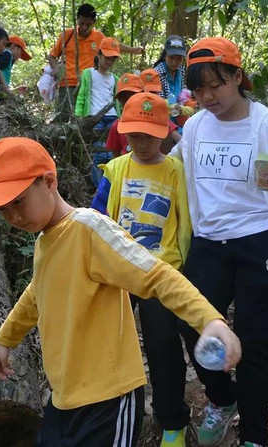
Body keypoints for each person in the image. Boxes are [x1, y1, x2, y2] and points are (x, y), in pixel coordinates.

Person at [0, 136, 242, 447]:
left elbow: (157, 274)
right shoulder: (45, 240)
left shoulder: (90, 230)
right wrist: (7, 337)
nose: (13, 217)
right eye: (3, 210)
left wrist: (210, 321)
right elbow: (36, 291)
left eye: (18, 201)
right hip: (64, 397)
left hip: (109, 398)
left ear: (49, 181)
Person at [171, 37, 268, 447]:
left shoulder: (266, 124)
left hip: (262, 240)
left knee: (255, 343)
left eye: (216, 85)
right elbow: (175, 170)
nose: (207, 97)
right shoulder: (196, 126)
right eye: (199, 89)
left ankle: (255, 434)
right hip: (209, 242)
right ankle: (222, 398)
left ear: (238, 77)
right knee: (194, 324)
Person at [91, 92, 192, 447]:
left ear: (165, 132)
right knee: (109, 345)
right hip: (119, 271)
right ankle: (110, 417)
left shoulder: (177, 172)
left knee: (163, 346)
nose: (142, 142)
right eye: (134, 135)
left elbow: (188, 222)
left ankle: (172, 422)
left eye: (150, 135)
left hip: (160, 273)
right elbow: (98, 218)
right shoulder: (116, 169)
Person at [47, 3, 143, 119]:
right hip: (67, 84)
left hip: (88, 85)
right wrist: (56, 68)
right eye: (81, 23)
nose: (84, 27)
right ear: (76, 20)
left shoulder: (98, 37)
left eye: (88, 24)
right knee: (65, 118)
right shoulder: (67, 35)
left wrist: (133, 50)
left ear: (94, 23)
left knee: (85, 118)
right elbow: (52, 56)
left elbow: (115, 46)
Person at [74, 37, 121, 186]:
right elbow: (82, 95)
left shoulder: (115, 78)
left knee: (111, 152)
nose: (109, 62)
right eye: (107, 58)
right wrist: (78, 116)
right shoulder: (88, 74)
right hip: (94, 116)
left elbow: (117, 100)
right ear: (99, 55)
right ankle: (98, 186)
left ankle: (110, 186)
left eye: (113, 59)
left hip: (112, 117)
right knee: (97, 152)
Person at [105, 73, 144, 157]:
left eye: (132, 96)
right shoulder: (117, 126)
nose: (128, 101)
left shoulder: (153, 120)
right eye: (123, 98)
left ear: (142, 94)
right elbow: (115, 156)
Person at [153, 35, 187, 104]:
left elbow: (182, 91)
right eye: (171, 58)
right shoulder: (157, 73)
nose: (174, 62)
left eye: (179, 58)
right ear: (165, 55)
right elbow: (159, 100)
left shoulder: (181, 70)